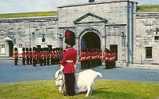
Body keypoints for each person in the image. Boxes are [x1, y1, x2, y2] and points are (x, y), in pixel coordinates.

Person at [60, 30, 77, 96]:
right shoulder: (75, 51)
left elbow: (64, 60)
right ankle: (72, 92)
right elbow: (75, 60)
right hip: (72, 67)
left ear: (68, 44)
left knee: (67, 81)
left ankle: (68, 92)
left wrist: (61, 63)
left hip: (67, 67)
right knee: (72, 80)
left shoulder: (66, 51)